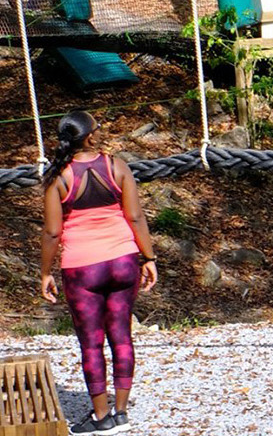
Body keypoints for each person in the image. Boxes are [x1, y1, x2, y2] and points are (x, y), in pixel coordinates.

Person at [38, 111, 159, 435]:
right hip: (122, 262)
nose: (101, 131)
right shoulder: (115, 166)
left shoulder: (58, 178)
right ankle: (120, 412)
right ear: (89, 137)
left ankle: (101, 417)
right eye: (98, 128)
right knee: (121, 336)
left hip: (82, 269)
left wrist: (45, 272)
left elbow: (52, 233)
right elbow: (135, 217)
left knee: (91, 343)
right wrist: (148, 257)